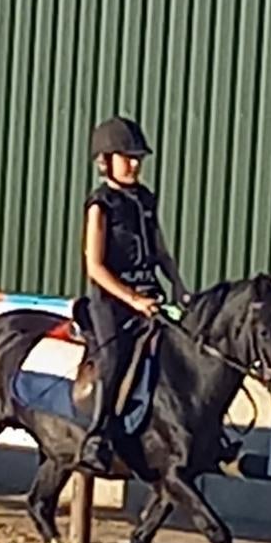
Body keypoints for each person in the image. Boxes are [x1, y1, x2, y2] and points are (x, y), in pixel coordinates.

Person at [77, 115, 190, 474]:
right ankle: (97, 436)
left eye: (137, 157)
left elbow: (159, 248)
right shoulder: (100, 204)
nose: (135, 163)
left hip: (149, 293)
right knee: (114, 359)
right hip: (111, 302)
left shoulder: (145, 199)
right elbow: (94, 266)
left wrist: (177, 283)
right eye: (127, 157)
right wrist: (132, 299)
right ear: (105, 160)